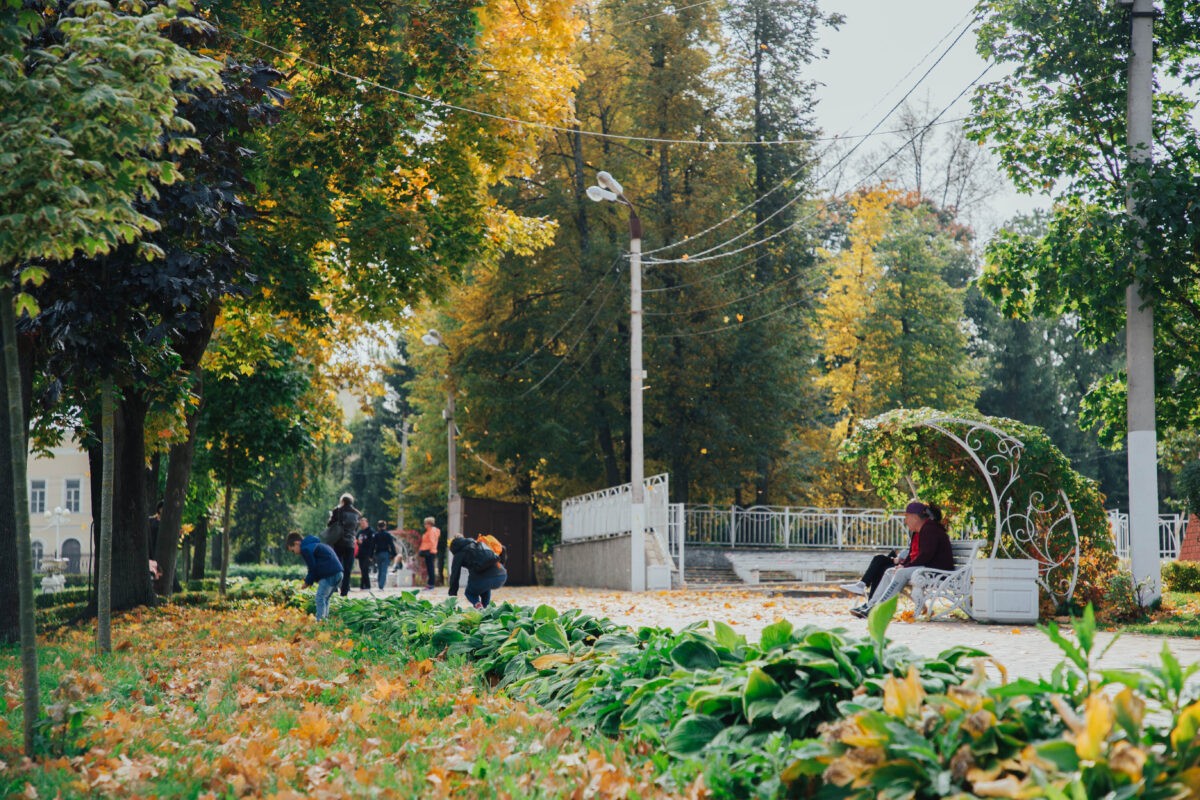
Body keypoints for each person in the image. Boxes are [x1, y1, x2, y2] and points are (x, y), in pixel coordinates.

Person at [850, 501, 954, 619]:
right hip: (927, 569)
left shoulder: (930, 529)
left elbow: (926, 555)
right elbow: (914, 555)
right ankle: (871, 605)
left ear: (915, 517)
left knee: (901, 572)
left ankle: (878, 609)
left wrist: (905, 567)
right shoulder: (922, 530)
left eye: (906, 517)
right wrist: (903, 564)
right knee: (890, 571)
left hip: (938, 572)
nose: (905, 521)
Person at [286, 531, 344, 622]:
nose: (295, 553)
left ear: (296, 543)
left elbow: (312, 568)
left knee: (320, 598)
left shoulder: (305, 549)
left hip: (329, 573)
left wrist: (307, 582)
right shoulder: (315, 545)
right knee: (325, 598)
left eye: (293, 550)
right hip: (339, 573)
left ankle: (320, 621)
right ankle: (324, 621)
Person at [448, 533, 507, 609]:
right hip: (502, 575)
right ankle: (485, 609)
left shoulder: (459, 554)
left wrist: (452, 599)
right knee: (484, 587)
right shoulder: (478, 543)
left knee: (469, 593)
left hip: (485, 578)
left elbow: (454, 576)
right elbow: (503, 548)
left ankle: (478, 605)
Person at [327, 493, 361, 597]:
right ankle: (344, 591)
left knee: (336, 567)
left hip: (338, 542)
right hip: (350, 544)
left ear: (342, 501)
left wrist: (330, 517)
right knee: (347, 568)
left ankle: (334, 588)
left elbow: (330, 524)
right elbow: (355, 529)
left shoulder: (337, 511)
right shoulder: (357, 513)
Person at [372, 519, 398, 589]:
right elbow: (391, 545)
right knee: (384, 570)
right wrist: (394, 554)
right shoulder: (387, 535)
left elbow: (373, 545)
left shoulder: (376, 535)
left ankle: (379, 584)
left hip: (378, 554)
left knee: (379, 569)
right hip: (385, 553)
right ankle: (381, 585)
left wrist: (371, 555)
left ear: (378, 527)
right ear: (385, 526)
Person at [418, 517, 440, 590]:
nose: (424, 525)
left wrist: (430, 550)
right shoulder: (430, 531)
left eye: (425, 523)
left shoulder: (431, 531)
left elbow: (432, 542)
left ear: (429, 524)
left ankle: (431, 584)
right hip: (429, 551)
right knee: (430, 568)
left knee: (430, 568)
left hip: (429, 552)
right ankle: (430, 584)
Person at [355, 516, 375, 590]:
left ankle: (366, 585)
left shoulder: (370, 531)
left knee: (365, 569)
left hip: (367, 553)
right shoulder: (360, 532)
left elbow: (372, 543)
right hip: (360, 554)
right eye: (361, 523)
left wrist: (371, 555)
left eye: (363, 523)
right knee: (362, 569)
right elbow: (356, 540)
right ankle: (364, 585)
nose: (362, 525)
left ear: (367, 523)